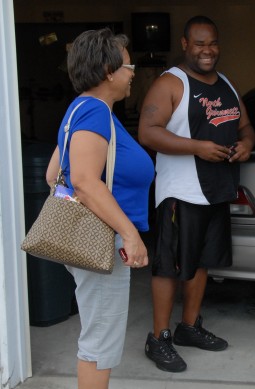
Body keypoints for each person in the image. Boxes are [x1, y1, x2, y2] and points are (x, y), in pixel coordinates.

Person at [138, 15, 255, 372]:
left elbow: (245, 126)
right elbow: (147, 132)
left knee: (201, 262)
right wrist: (197, 147)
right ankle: (159, 338)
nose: (208, 50)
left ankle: (189, 326)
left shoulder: (226, 83)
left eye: (213, 43)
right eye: (200, 43)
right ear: (186, 44)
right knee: (169, 266)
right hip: (181, 192)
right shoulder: (170, 83)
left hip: (217, 189)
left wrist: (247, 144)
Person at [46, 28, 154, 388]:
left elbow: (53, 174)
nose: (133, 72)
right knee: (99, 344)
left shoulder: (80, 109)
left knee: (97, 338)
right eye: (128, 65)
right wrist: (129, 234)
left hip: (89, 235)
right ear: (109, 71)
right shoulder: (95, 113)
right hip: (102, 238)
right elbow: (84, 181)